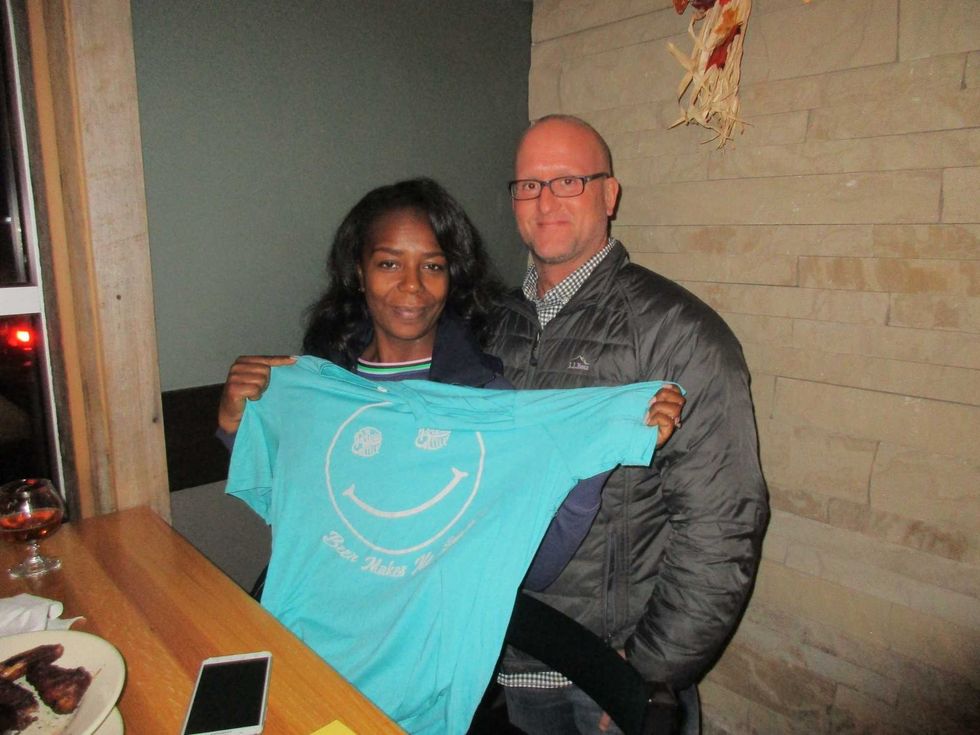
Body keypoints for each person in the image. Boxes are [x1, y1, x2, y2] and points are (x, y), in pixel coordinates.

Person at [217, 177, 686, 732]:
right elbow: (293, 508)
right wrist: (236, 425)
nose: (412, 286)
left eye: (433, 266)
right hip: (300, 666)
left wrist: (588, 453)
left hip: (417, 694)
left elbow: (535, 569)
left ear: (452, 277)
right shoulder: (318, 385)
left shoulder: (489, 405)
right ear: (358, 273)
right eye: (389, 263)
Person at [489, 114, 770, 734]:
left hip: (613, 672)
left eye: (569, 181)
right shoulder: (491, 326)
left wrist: (645, 671)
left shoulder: (678, 334)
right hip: (514, 655)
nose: (545, 201)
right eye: (529, 185)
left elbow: (722, 523)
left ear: (609, 195)